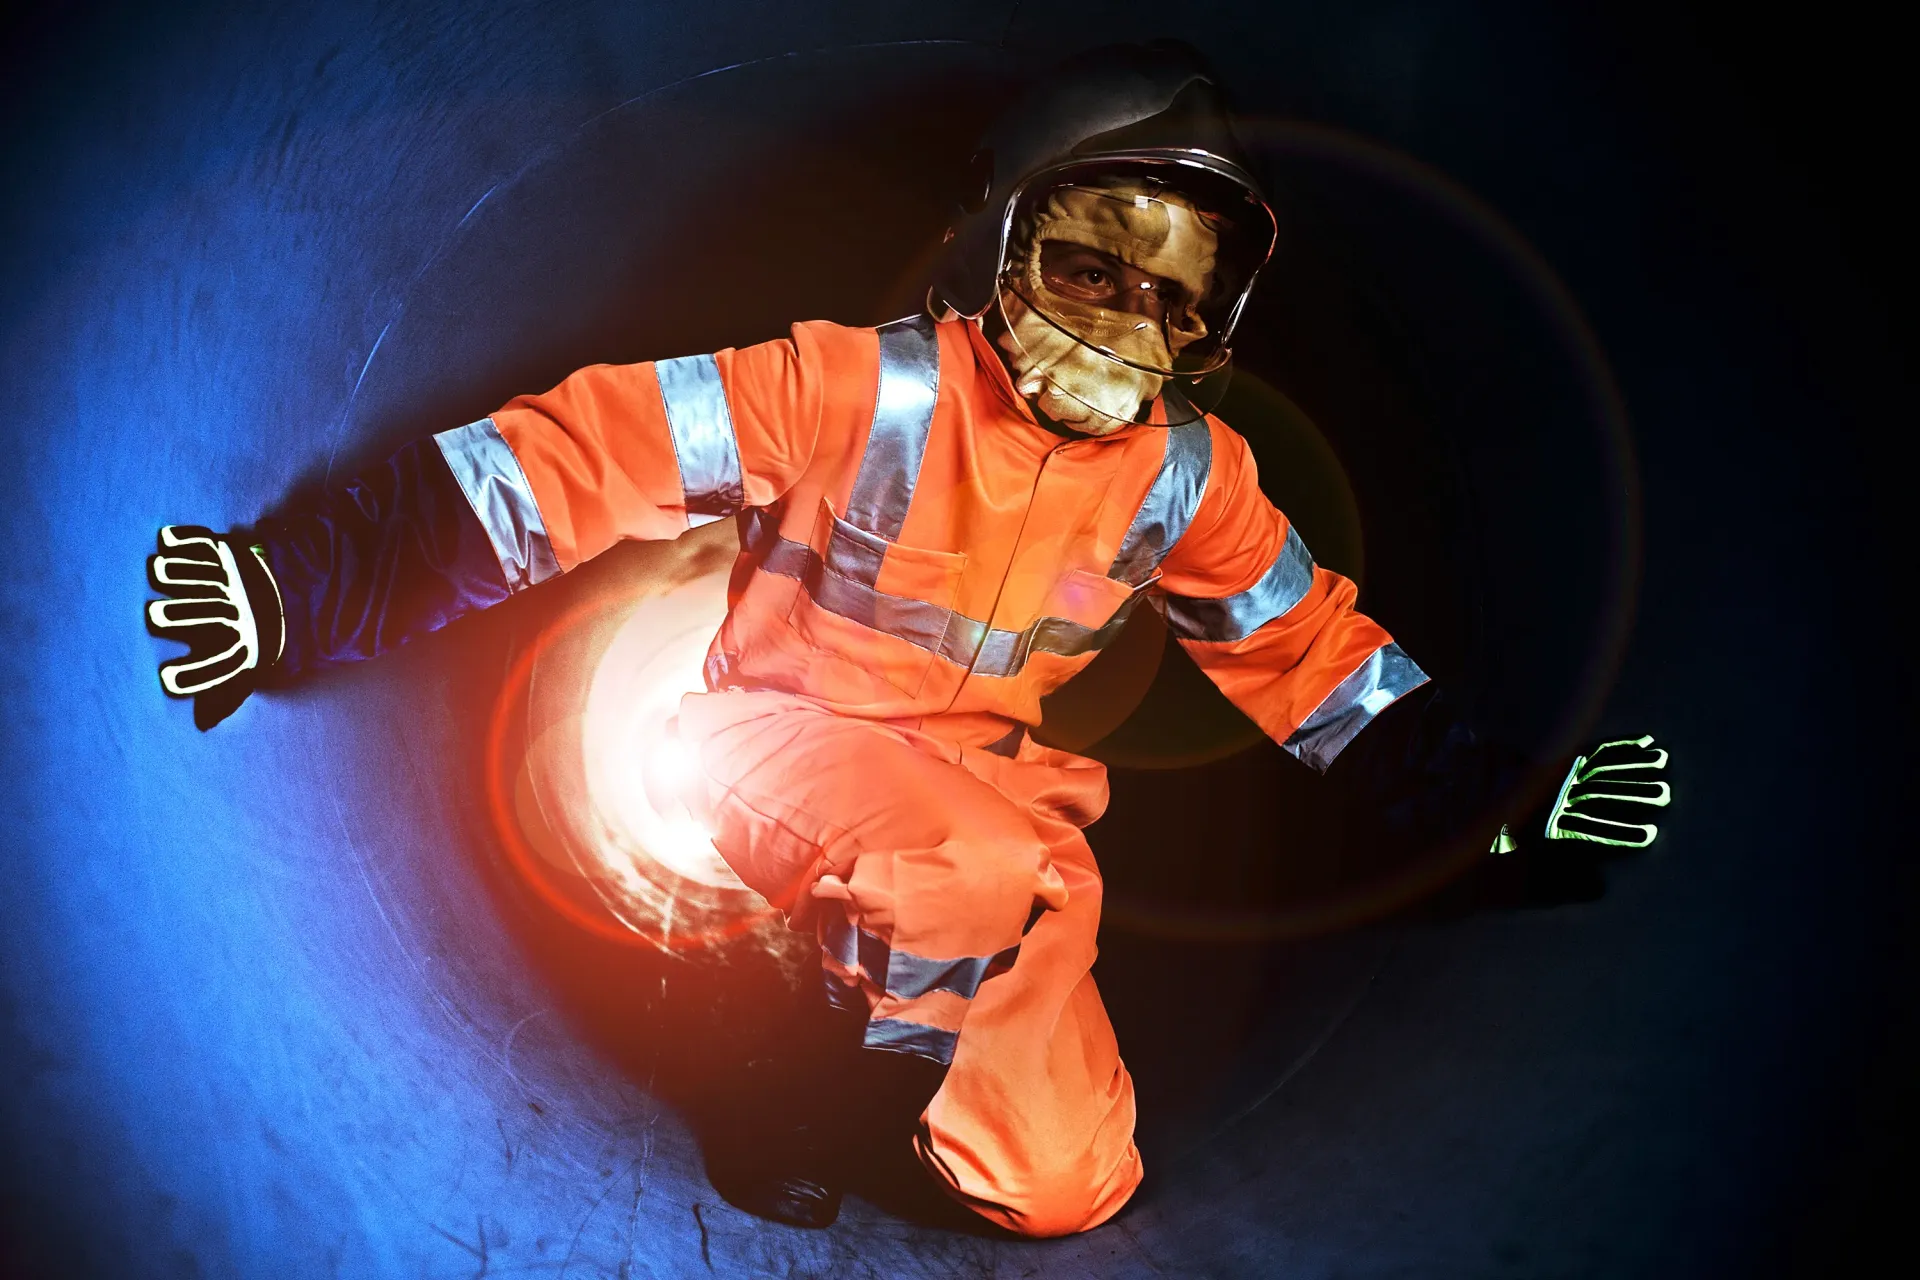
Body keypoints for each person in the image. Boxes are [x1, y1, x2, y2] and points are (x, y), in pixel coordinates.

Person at [144, 42, 1670, 1237]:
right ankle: (781, 1075)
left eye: (1167, 297)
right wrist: (296, 589)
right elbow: (568, 461)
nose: (1118, 324)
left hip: (993, 804)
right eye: (1086, 265)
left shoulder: (1191, 480)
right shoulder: (849, 388)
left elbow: (1316, 665)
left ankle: (868, 1019)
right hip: (771, 741)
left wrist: (1497, 811)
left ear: (1211, 327)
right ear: (1003, 239)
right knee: (960, 869)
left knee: (1070, 1181)